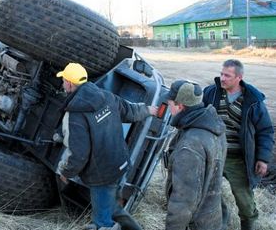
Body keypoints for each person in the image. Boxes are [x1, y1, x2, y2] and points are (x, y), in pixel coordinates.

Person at [55, 62, 158, 230]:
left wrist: (66, 172)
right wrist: (148, 110)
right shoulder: (106, 96)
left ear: (69, 83)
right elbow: (130, 111)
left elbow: (79, 153)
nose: (63, 83)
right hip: (121, 164)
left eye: (64, 80)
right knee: (112, 207)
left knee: (102, 221)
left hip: (102, 175)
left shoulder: (75, 116)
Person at [203, 59, 275, 230]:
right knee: (206, 192)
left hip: (237, 159)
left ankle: (248, 225)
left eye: (227, 75)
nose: (222, 78)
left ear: (239, 78)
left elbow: (265, 131)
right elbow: (199, 116)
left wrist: (263, 159)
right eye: (221, 73)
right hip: (214, 154)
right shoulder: (211, 93)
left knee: (245, 201)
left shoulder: (253, 102)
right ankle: (222, 218)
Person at [163, 80, 227, 230]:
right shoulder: (215, 129)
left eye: (170, 103)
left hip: (195, 223)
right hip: (212, 216)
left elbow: (183, 201)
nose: (168, 107)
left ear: (180, 106)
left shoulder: (190, 146)